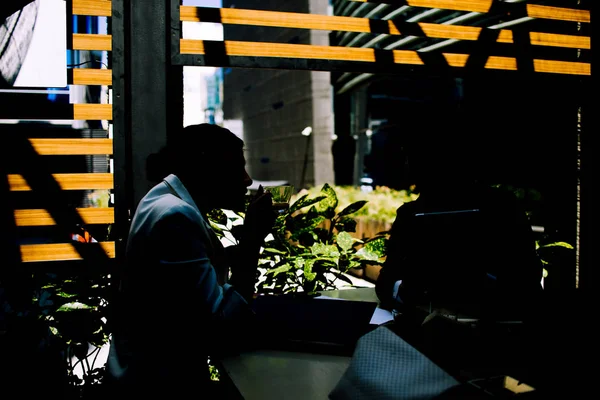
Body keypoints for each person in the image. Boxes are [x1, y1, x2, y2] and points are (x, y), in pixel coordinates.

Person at [106, 123, 277, 398]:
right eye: (237, 167)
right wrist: (252, 241)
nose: (247, 180)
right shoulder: (176, 217)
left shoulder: (163, 198)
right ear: (206, 168)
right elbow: (219, 327)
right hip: (158, 385)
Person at [375, 109, 543, 321]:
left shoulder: (412, 215)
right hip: (495, 327)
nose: (407, 165)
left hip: (462, 328)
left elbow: (386, 285)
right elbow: (529, 277)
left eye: (410, 156)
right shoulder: (504, 205)